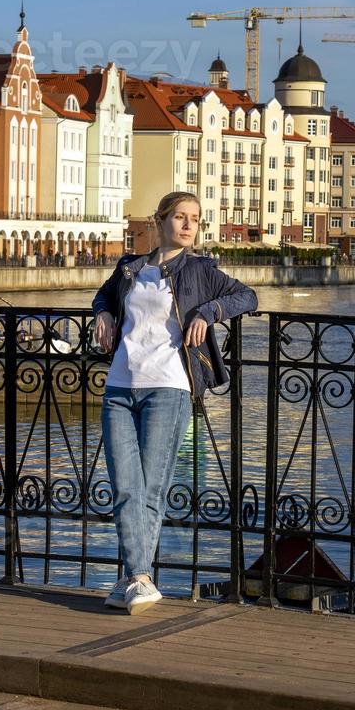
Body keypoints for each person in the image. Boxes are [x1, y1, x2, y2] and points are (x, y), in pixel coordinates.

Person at [92, 191, 257, 616]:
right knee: (125, 486)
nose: (188, 225)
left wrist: (208, 312)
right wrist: (104, 313)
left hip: (170, 385)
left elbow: (247, 296)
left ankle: (137, 578)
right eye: (180, 217)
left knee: (150, 486)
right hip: (120, 386)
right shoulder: (130, 267)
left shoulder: (201, 268)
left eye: (195, 219)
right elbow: (104, 296)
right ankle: (137, 578)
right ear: (160, 220)